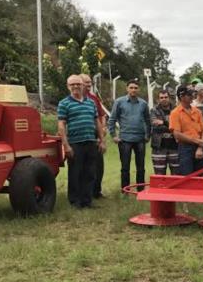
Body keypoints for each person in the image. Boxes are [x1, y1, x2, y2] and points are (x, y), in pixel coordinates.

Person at [57, 74, 104, 208]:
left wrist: (102, 140)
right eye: (72, 84)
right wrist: (66, 145)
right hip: (75, 143)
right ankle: (75, 202)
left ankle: (87, 201)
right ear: (68, 87)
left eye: (78, 84)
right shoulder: (64, 103)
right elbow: (61, 125)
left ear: (83, 85)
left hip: (91, 141)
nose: (76, 86)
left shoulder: (91, 103)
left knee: (90, 173)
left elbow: (97, 122)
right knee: (75, 173)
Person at [108, 78, 151, 192]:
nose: (133, 90)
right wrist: (113, 135)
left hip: (140, 139)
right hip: (124, 139)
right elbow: (112, 119)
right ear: (127, 89)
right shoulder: (119, 102)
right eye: (131, 88)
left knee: (141, 167)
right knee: (125, 167)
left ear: (139, 89)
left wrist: (148, 135)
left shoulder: (143, 103)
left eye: (135, 88)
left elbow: (148, 120)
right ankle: (125, 190)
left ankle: (141, 190)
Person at [170, 85, 203, 176]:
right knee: (187, 176)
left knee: (202, 177)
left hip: (198, 147)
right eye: (189, 95)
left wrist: (200, 148)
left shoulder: (197, 111)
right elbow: (177, 134)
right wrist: (197, 141)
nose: (192, 97)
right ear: (181, 97)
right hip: (185, 148)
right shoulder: (175, 113)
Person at [82, 74, 106, 198]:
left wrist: (103, 130)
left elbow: (102, 115)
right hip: (81, 137)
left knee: (98, 165)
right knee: (84, 167)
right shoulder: (73, 99)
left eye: (90, 82)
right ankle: (85, 192)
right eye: (86, 82)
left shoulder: (94, 98)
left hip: (96, 135)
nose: (89, 84)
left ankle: (97, 191)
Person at [150, 89, 179, 175]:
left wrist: (163, 122)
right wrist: (171, 125)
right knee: (159, 175)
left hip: (175, 146)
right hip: (159, 147)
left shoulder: (177, 110)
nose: (164, 99)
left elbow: (178, 126)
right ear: (158, 99)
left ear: (169, 98)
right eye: (161, 97)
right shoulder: (154, 110)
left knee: (176, 175)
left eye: (166, 97)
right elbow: (156, 126)